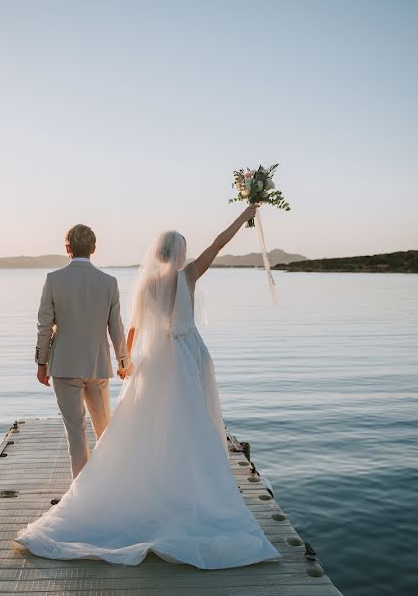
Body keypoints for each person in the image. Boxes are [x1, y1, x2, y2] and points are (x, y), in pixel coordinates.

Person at [16, 203, 280, 569]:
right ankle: (185, 491)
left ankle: (101, 488)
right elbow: (219, 244)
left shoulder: (147, 285)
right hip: (187, 357)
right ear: (181, 253)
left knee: (145, 425)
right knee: (192, 426)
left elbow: (134, 326)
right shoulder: (187, 276)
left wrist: (127, 363)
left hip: (155, 360)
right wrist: (245, 214)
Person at [35, 223, 131, 478]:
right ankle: (107, 482)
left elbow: (44, 327)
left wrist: (41, 363)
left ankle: (81, 491)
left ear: (67, 248)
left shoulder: (54, 280)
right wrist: (123, 363)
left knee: (75, 432)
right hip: (97, 365)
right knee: (104, 430)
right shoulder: (109, 283)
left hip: (64, 366)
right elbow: (117, 329)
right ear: (94, 248)